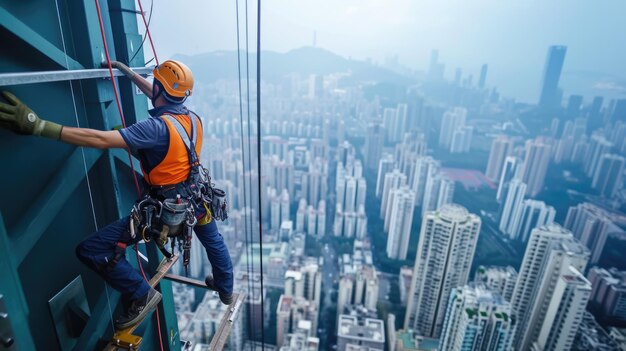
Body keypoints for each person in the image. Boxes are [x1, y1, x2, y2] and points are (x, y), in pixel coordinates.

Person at [0, 60, 233, 330]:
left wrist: (39, 126)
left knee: (91, 249)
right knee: (213, 241)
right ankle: (225, 287)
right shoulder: (192, 118)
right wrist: (128, 72)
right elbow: (160, 95)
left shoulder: (154, 129)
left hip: (165, 211)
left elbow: (100, 139)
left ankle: (140, 293)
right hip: (196, 198)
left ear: (160, 88)